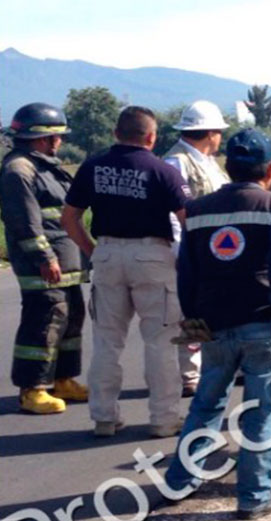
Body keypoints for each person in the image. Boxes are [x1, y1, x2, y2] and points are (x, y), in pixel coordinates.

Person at [163, 128, 271, 521]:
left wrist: (192, 315)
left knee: (205, 405)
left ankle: (179, 482)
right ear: (270, 169)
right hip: (262, 323)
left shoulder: (199, 210)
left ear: (228, 166)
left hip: (214, 323)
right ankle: (254, 496)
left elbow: (186, 270)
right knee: (260, 411)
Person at [62, 106, 192, 438]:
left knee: (107, 341)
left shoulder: (92, 167)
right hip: (152, 256)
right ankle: (163, 419)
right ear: (151, 136)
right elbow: (186, 220)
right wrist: (185, 260)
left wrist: (94, 251)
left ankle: (104, 417)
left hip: (107, 253)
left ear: (116, 133)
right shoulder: (162, 170)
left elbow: (69, 218)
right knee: (161, 342)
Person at [0, 103, 88, 414]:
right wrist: (44, 256)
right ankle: (32, 388)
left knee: (71, 317)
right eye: (57, 136)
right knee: (44, 322)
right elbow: (24, 221)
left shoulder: (43, 164)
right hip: (44, 264)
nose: (60, 141)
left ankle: (62, 379)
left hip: (65, 262)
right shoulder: (18, 170)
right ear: (43, 137)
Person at [163, 100, 231, 397]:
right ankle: (189, 374)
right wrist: (181, 252)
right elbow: (171, 211)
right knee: (189, 310)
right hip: (190, 248)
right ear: (210, 132)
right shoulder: (176, 162)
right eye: (218, 132)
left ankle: (215, 366)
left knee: (214, 308)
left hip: (214, 249)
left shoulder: (207, 161)